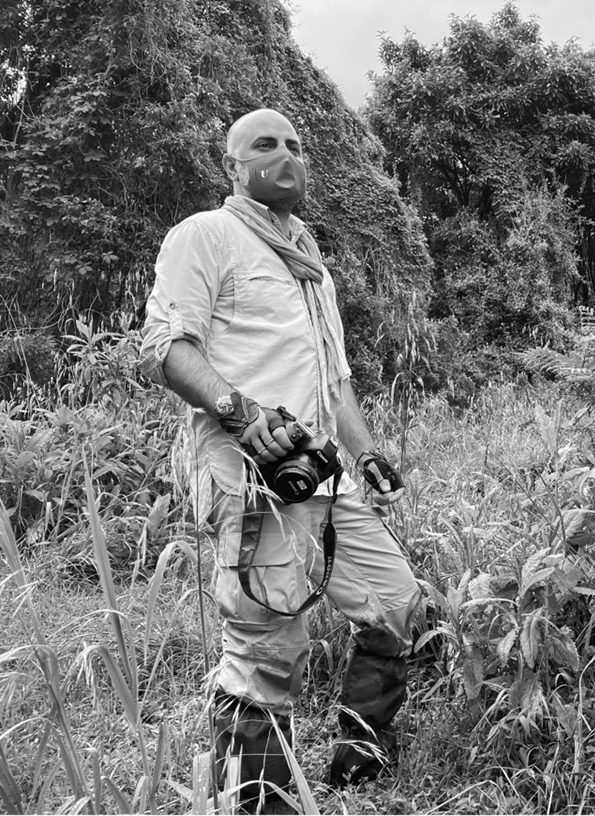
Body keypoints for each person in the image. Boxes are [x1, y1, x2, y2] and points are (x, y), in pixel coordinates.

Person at [139, 108, 421, 811]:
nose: (285, 155)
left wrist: (367, 453)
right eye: (264, 145)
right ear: (231, 165)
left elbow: (336, 382)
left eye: (295, 145)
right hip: (251, 472)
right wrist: (242, 414)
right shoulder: (206, 236)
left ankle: (360, 756)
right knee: (269, 644)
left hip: (321, 469)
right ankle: (263, 800)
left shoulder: (312, 265)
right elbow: (167, 347)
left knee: (396, 603)